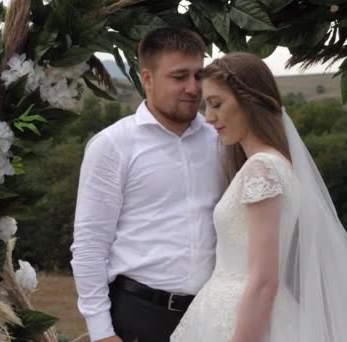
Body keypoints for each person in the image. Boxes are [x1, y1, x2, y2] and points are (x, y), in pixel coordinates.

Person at [170, 52, 347, 342]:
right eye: (206, 105)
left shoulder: (262, 169)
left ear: (249, 101)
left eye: (216, 104)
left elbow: (264, 280)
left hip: (243, 319)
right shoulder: (271, 165)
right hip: (234, 311)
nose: (209, 117)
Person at [70, 28, 224, 342]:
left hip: (213, 316)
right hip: (138, 317)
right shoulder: (113, 145)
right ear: (147, 79)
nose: (193, 88)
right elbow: (89, 246)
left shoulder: (220, 140)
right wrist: (101, 333)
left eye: (199, 75)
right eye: (179, 76)